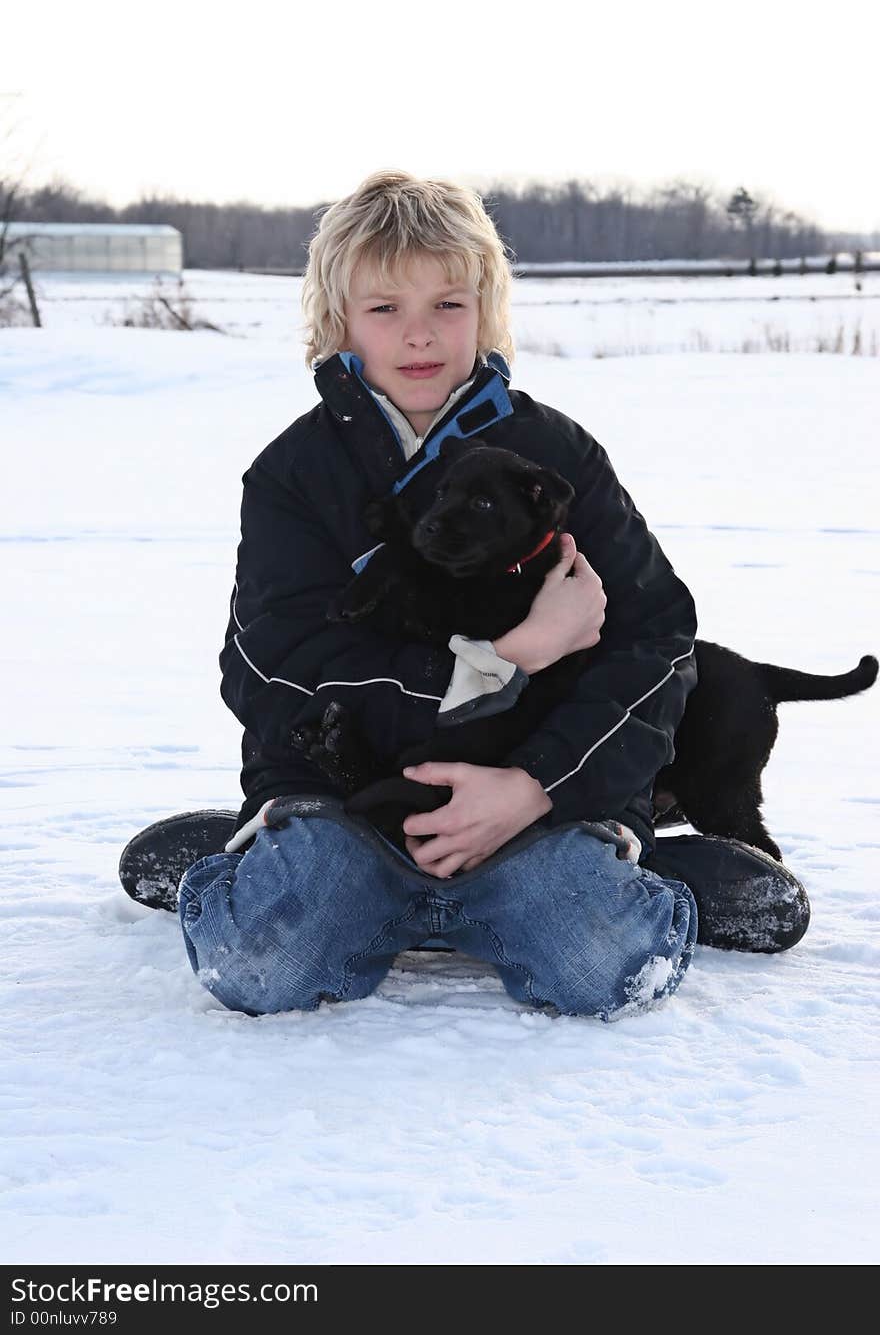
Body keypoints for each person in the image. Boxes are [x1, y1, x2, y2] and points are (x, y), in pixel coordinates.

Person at [119, 171, 810, 1019]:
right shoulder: (293, 475)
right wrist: (503, 659)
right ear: (338, 322)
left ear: (486, 310)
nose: (420, 337)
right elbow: (274, 670)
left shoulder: (557, 456)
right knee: (266, 969)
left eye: (448, 305)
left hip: (540, 810)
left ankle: (643, 873)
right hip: (352, 805)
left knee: (595, 968)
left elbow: (656, 643)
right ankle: (267, 854)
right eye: (385, 311)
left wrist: (535, 784)